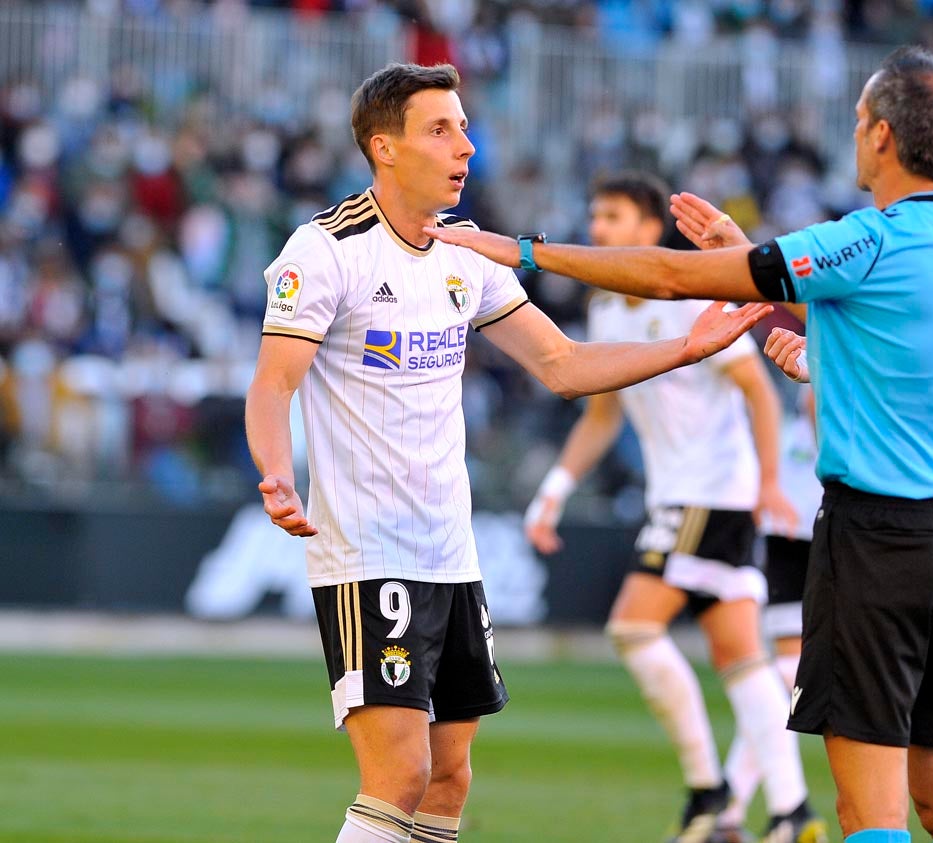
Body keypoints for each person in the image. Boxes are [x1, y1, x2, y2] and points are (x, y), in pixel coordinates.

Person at [427, 46, 933, 843]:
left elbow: (673, 280)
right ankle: (726, 791)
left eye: (855, 122)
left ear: (879, 135)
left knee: (868, 807)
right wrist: (783, 300)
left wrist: (524, 251)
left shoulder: (866, 241)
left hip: (881, 539)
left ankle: (718, 792)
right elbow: (899, 338)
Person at [243, 62, 772, 843]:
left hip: (451, 553)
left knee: (450, 780)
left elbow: (562, 365)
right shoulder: (325, 249)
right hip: (368, 553)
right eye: (441, 129)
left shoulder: (464, 251)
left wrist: (685, 349)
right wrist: (276, 473)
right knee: (399, 776)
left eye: (463, 126)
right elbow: (273, 382)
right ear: (383, 148)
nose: (465, 144)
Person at [522, 171, 826, 843]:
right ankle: (790, 811)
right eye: (595, 216)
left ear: (646, 231)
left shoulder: (691, 296)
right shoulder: (605, 310)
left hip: (710, 493)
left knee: (633, 628)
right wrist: (552, 491)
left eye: (612, 218)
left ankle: (706, 788)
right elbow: (602, 414)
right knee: (741, 658)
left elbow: (754, 387)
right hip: (681, 495)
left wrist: (769, 481)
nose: (597, 230)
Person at [713, 384, 825, 843]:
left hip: (801, 517)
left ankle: (733, 806)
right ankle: (748, 809)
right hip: (810, 518)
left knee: (784, 674)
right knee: (785, 673)